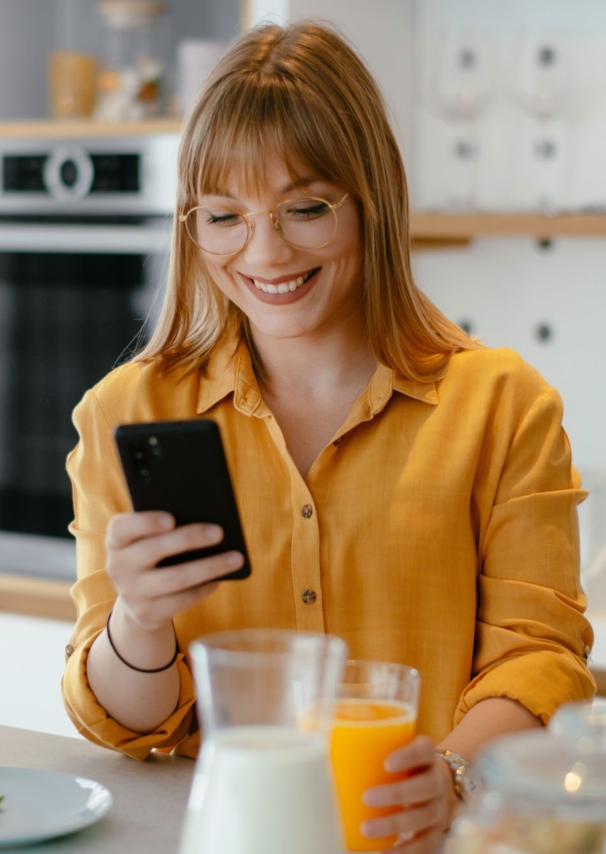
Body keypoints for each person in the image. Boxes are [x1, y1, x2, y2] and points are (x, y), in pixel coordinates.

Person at [62, 20, 595, 853]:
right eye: (224, 216)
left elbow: (541, 658)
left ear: (372, 198)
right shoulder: (124, 413)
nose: (264, 251)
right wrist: (138, 619)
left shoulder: (504, 405)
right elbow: (122, 727)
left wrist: (450, 776)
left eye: (305, 208)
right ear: (190, 225)